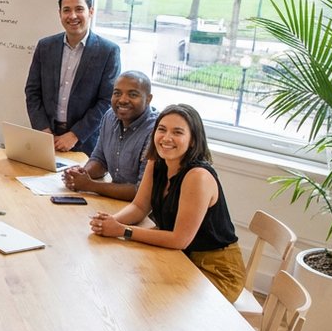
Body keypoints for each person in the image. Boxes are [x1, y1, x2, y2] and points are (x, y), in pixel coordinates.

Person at [90, 104, 245, 301]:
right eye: (161, 130)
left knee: (157, 300)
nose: (166, 138)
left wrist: (123, 231)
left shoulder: (198, 176)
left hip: (215, 269)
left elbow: (179, 239)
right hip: (180, 256)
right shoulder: (157, 162)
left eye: (177, 132)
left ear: (193, 140)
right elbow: (139, 207)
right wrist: (109, 222)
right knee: (130, 282)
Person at [24, 0, 120, 154]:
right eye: (66, 10)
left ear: (90, 12)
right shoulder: (45, 46)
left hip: (85, 142)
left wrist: (75, 135)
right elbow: (32, 91)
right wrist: (43, 130)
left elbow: (107, 100)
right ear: (59, 13)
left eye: (79, 9)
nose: (72, 16)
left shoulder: (108, 51)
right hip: (47, 138)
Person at [62, 71, 157, 201]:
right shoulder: (109, 116)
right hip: (114, 201)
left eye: (133, 94)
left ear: (148, 99)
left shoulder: (156, 131)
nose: (123, 100)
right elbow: (100, 160)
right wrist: (81, 174)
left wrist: (90, 185)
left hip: (143, 213)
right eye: (117, 93)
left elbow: (140, 191)